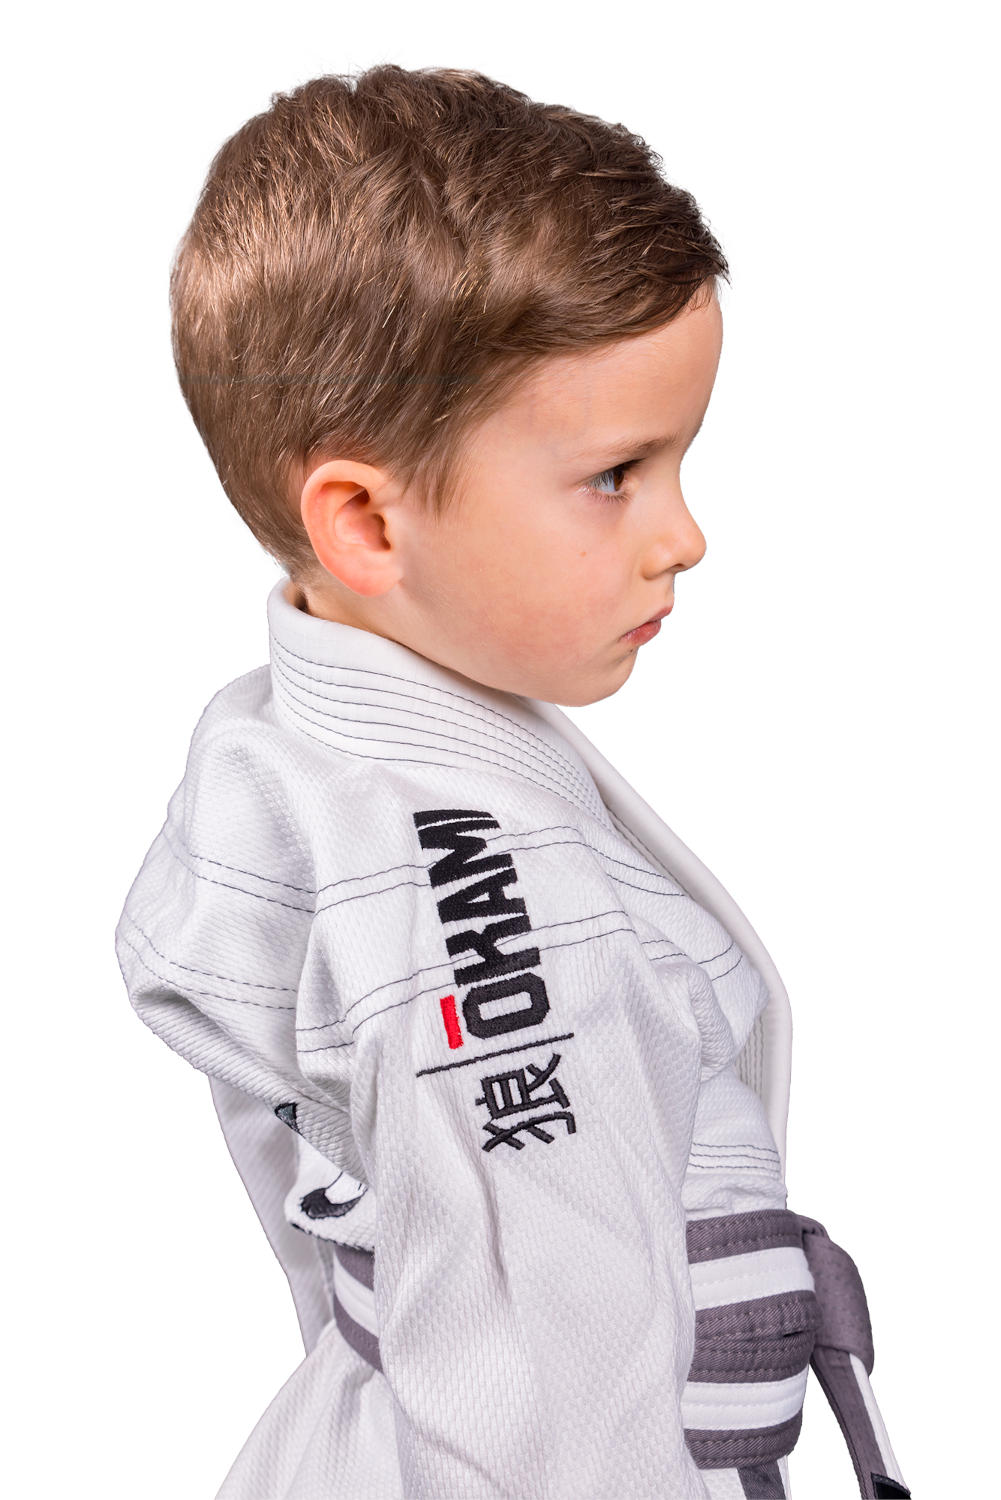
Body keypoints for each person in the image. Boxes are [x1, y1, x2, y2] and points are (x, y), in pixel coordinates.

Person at [114, 64, 909, 1500]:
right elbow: (547, 1409)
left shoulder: (283, 756)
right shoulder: (489, 899)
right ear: (366, 525)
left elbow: (319, 1181)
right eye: (616, 475)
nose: (683, 535)